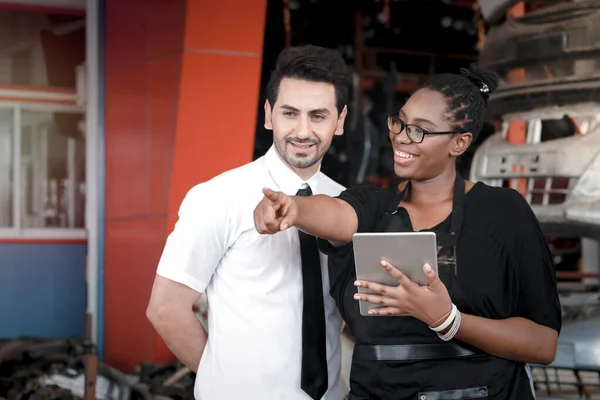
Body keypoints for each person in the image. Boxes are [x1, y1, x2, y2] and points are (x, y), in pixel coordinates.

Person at [253, 65, 562, 400]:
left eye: (420, 130)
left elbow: (543, 344)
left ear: (459, 143)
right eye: (399, 122)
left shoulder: (503, 212)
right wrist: (294, 208)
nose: (401, 136)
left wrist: (448, 320)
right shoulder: (374, 205)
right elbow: (337, 215)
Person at [146, 45, 351, 400]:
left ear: (341, 120)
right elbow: (166, 309)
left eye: (318, 116)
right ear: (269, 114)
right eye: (290, 113)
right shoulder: (218, 196)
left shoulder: (345, 205)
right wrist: (223, 381)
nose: (302, 131)